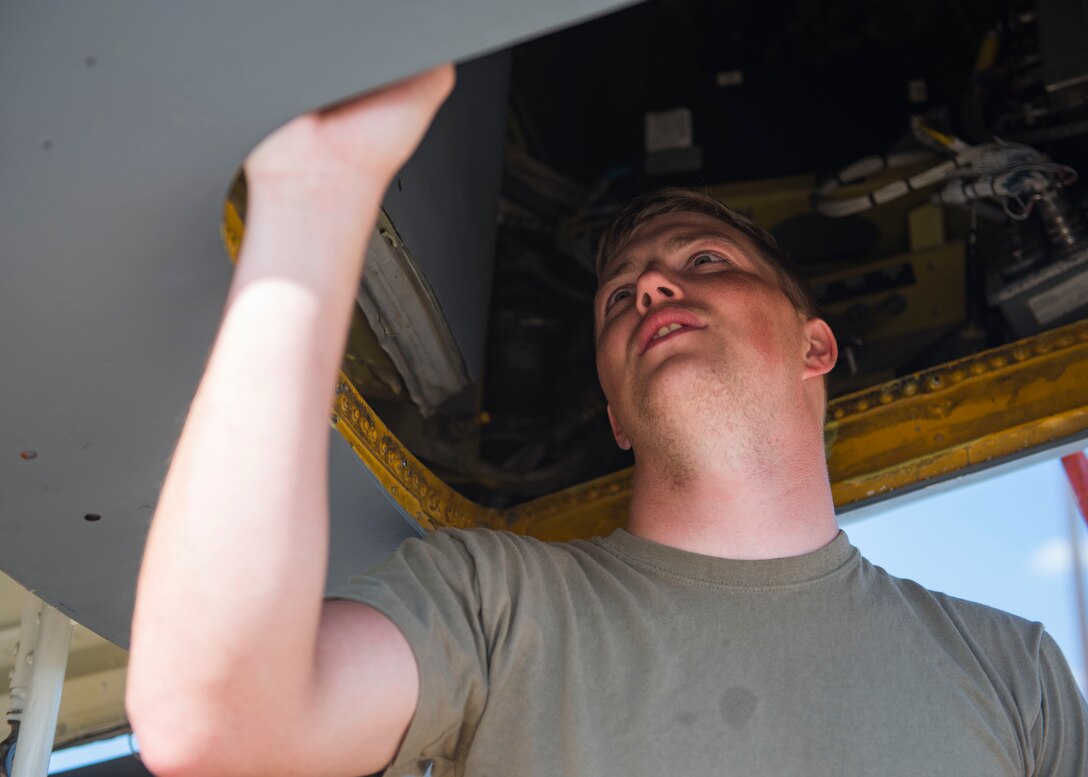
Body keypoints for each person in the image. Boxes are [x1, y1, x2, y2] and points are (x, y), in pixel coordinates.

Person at [126, 64, 1088, 777]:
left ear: (815, 348)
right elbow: (217, 728)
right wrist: (314, 199)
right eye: (619, 296)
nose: (652, 284)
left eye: (705, 260)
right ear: (618, 415)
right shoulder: (494, 604)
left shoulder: (1018, 674)